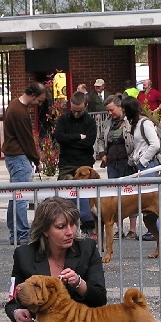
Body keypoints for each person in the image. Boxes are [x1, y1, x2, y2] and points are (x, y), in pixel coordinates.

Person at [5, 196, 116, 322]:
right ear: (45, 230)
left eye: (73, 224)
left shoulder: (88, 249)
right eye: (61, 226)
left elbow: (100, 298)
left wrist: (79, 283)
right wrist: (16, 312)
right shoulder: (24, 255)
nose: (70, 232)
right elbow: (12, 299)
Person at [1, 82, 46, 246]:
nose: (38, 105)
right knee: (21, 197)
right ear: (33, 95)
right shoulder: (20, 112)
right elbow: (26, 139)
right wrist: (36, 160)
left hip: (13, 156)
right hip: (19, 157)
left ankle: (15, 232)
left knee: (15, 195)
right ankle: (22, 233)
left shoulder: (14, 105)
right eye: (39, 101)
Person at [54, 91, 97, 236]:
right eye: (73, 110)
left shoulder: (90, 121)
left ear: (86, 106)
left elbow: (89, 143)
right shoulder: (63, 119)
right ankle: (65, 228)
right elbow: (59, 137)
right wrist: (78, 137)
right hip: (66, 165)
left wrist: (70, 141)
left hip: (85, 165)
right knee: (64, 200)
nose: (76, 114)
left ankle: (89, 227)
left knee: (86, 200)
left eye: (79, 111)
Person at [95, 94, 139, 239]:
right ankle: (119, 229)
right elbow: (101, 138)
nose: (110, 113)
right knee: (114, 197)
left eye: (112, 110)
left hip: (127, 162)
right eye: (108, 111)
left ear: (120, 107)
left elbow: (135, 140)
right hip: (112, 163)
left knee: (130, 196)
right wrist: (102, 153)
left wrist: (133, 158)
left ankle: (132, 229)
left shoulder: (129, 122)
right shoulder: (107, 123)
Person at [123, 96, 161, 241]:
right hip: (142, 165)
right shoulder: (138, 123)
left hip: (149, 165)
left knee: (150, 199)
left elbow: (155, 144)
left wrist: (144, 160)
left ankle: (155, 230)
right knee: (146, 198)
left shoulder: (145, 123)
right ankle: (153, 230)